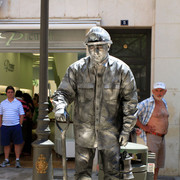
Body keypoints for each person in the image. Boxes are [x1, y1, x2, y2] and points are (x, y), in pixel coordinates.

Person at [53, 26, 138, 179]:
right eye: (91, 47)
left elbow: (130, 102)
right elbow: (63, 93)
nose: (95, 51)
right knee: (82, 175)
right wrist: (59, 107)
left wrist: (126, 130)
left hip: (111, 133)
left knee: (112, 174)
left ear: (108, 46)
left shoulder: (122, 70)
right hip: (84, 134)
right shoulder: (76, 69)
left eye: (99, 47)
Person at [136, 82, 169, 180]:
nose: (159, 93)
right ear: (153, 91)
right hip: (151, 137)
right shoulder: (147, 103)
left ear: (165, 91)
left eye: (161, 90)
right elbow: (133, 114)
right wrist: (143, 127)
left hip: (162, 138)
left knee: (158, 165)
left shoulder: (164, 102)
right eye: (157, 90)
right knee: (150, 164)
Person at [0, 86, 24, 168]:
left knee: (17, 144)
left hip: (16, 126)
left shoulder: (18, 103)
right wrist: (0, 125)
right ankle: (6, 160)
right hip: (5, 126)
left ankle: (17, 160)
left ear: (14, 93)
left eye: (11, 92)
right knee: (6, 144)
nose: (10, 93)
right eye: (8, 92)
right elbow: (0, 115)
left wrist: (20, 124)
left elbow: (22, 115)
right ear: (6, 93)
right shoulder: (2, 103)